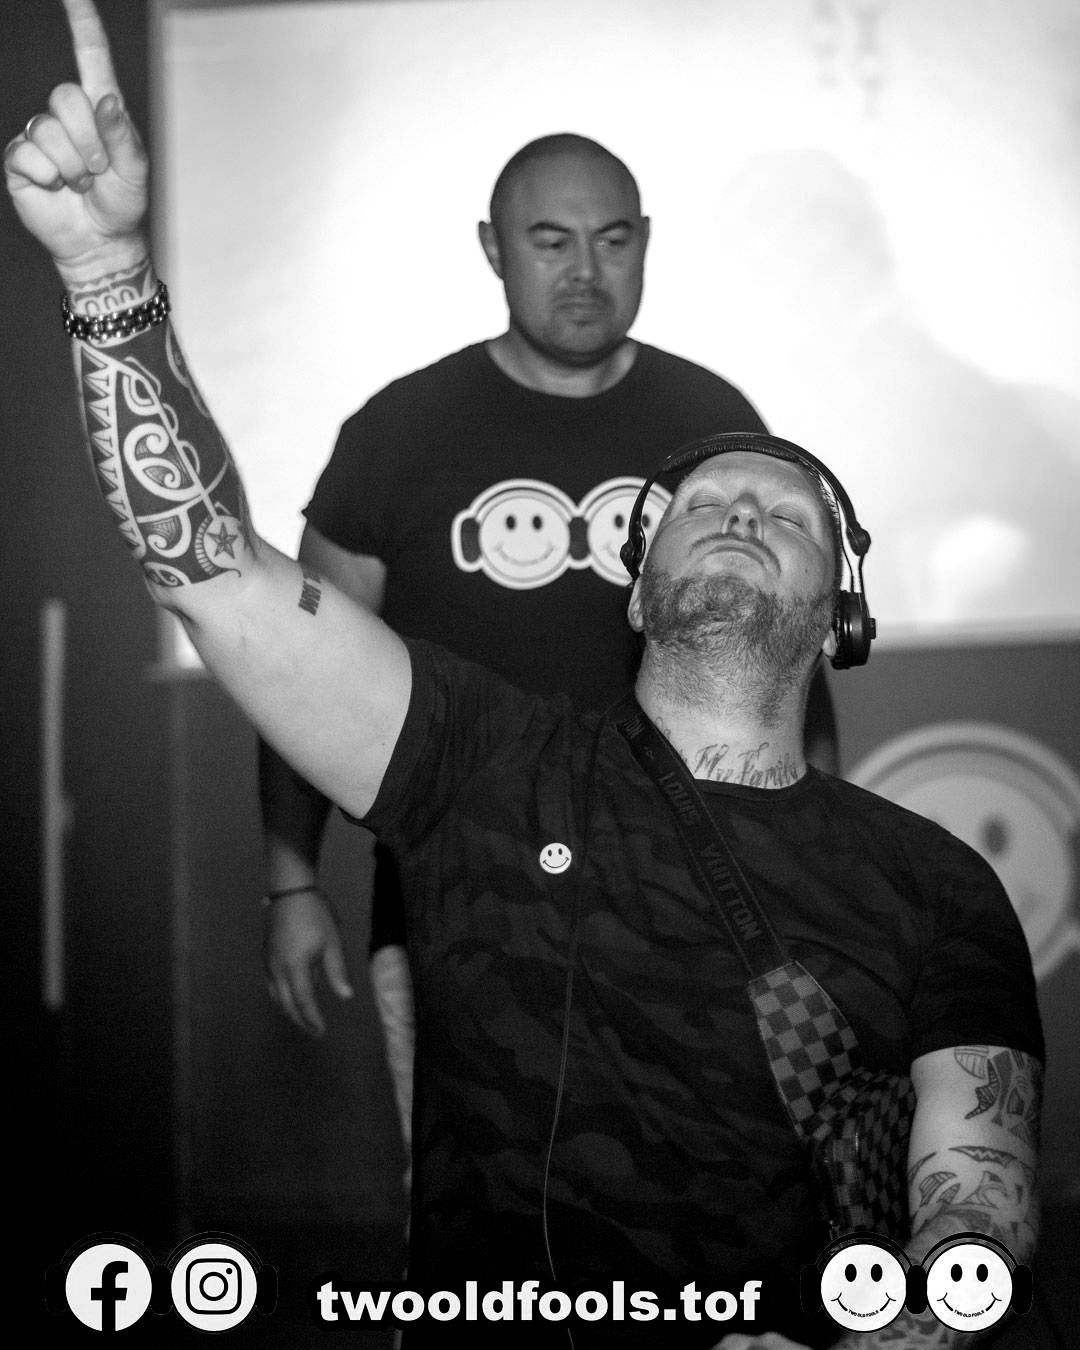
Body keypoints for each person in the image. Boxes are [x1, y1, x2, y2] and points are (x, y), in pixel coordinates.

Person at [9, 5, 1043, 1347]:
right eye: (702, 503)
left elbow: (978, 1209)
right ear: (633, 577)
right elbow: (208, 562)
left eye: (785, 513)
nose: (740, 508)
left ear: (841, 612)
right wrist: (106, 274)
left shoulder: (934, 887)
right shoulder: (477, 770)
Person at [257, 128, 835, 1148]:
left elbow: (788, 662)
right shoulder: (400, 433)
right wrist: (292, 879)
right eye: (550, 241)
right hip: (452, 905)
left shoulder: (711, 420)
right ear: (493, 248)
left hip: (689, 906)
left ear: (645, 242)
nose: (584, 271)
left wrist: (815, 874)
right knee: (467, 1206)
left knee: (688, 1199)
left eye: (611, 241)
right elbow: (300, 666)